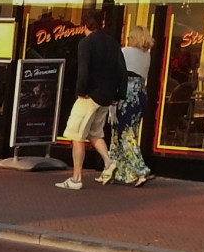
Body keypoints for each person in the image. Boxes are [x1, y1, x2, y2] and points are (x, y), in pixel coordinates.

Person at [57, 10, 126, 190]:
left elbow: (84, 70)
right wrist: (118, 95)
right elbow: (122, 71)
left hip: (89, 95)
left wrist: (81, 90)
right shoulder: (113, 43)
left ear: (86, 25)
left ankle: (76, 178)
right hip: (107, 97)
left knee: (77, 135)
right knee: (95, 133)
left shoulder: (86, 43)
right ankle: (109, 162)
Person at [106, 24, 154, 187]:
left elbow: (116, 74)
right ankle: (122, 171)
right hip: (140, 94)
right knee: (130, 131)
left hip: (126, 94)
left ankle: (140, 169)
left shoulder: (125, 52)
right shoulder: (147, 55)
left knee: (122, 132)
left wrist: (113, 97)